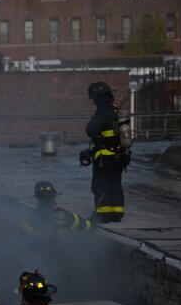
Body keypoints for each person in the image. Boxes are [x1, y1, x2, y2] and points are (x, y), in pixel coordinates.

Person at [83, 81, 129, 223]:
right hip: (120, 156)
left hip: (105, 157)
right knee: (115, 184)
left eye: (94, 99)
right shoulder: (116, 109)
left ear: (97, 97)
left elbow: (91, 130)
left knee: (101, 185)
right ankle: (116, 213)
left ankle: (102, 214)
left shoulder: (103, 111)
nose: (94, 102)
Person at [22, 181, 93, 236]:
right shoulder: (61, 214)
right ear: (52, 200)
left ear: (38, 200)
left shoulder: (32, 217)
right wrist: (92, 223)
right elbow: (83, 225)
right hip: (60, 251)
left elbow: (24, 236)